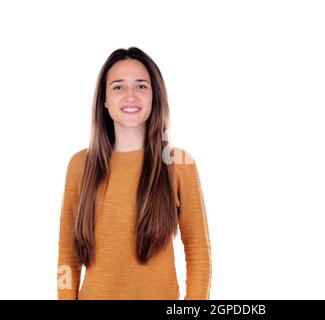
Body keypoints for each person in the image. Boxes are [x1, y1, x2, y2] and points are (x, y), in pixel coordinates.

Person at [57, 47, 212, 300]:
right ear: (104, 100)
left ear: (154, 96)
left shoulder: (179, 164)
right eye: (118, 87)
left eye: (141, 86)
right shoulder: (80, 165)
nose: (130, 95)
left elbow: (198, 252)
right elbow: (67, 256)